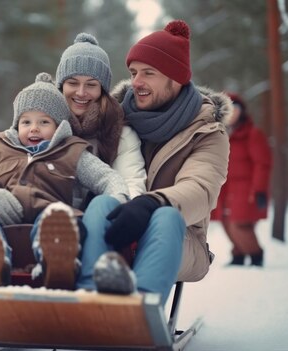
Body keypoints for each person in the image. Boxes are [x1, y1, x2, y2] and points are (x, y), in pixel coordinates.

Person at [76, 19, 232, 304]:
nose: (136, 82)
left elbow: (200, 190)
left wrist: (151, 202)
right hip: (114, 223)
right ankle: (87, 303)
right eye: (133, 72)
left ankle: (141, 311)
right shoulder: (114, 120)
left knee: (166, 216)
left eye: (149, 73)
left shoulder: (206, 132)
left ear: (176, 79)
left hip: (180, 237)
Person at [0, 72, 130, 290]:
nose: (34, 128)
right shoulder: (4, 150)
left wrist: (119, 199)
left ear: (59, 126)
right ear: (16, 125)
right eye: (26, 121)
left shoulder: (73, 152)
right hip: (5, 220)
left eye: (44, 121)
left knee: (56, 221)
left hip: (49, 216)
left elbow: (107, 177)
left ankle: (55, 261)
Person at [55, 33, 147, 204]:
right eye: (73, 83)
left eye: (91, 85)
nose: (81, 92)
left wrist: (124, 211)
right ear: (61, 86)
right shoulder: (40, 123)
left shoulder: (119, 132)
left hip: (101, 218)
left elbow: (132, 184)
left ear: (102, 90)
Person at [211, 92, 272, 267]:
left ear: (242, 111)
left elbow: (263, 164)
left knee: (240, 224)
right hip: (225, 188)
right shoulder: (218, 134)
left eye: (234, 108)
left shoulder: (253, 134)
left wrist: (259, 189)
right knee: (226, 222)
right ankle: (238, 254)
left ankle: (255, 255)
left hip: (246, 189)